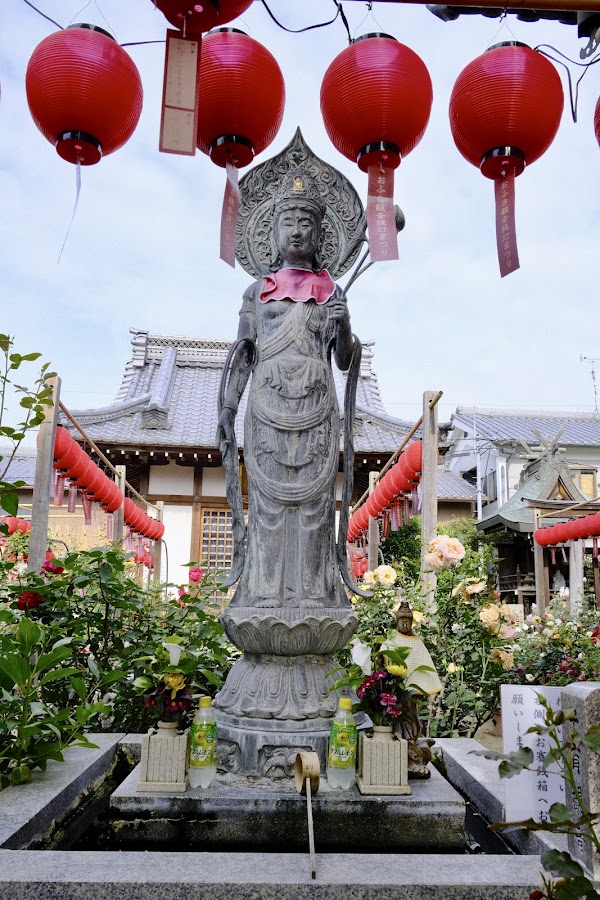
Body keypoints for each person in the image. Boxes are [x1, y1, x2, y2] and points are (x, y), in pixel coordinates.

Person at [216, 169, 356, 609]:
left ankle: (315, 595)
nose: (297, 231)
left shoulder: (330, 292)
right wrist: (227, 405)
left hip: (316, 413)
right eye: (288, 222)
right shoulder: (258, 292)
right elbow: (243, 353)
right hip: (267, 411)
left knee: (314, 509)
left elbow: (346, 361)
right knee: (269, 509)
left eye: (307, 223)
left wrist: (344, 322)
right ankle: (262, 594)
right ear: (271, 232)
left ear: (321, 234)